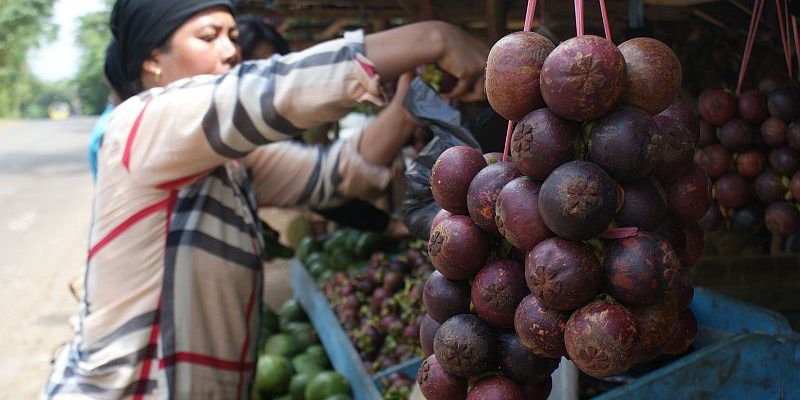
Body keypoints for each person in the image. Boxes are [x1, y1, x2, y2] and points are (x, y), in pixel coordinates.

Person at [42, 0, 487, 398]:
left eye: (233, 35)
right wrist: (432, 38)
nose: (230, 49)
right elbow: (264, 92)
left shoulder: (231, 164)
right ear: (153, 59)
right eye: (208, 36)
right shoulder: (137, 124)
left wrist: (409, 101)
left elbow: (338, 171)